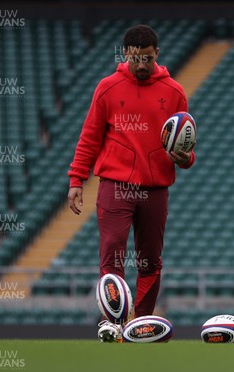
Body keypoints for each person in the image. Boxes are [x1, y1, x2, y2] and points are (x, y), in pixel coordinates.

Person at [67, 25, 195, 342]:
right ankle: (110, 323)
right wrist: (76, 179)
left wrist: (185, 158)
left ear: (157, 55)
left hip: (155, 189)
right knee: (112, 253)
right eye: (136, 58)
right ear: (126, 54)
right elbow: (90, 138)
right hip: (115, 185)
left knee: (150, 259)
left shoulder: (175, 92)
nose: (141, 65)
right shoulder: (108, 88)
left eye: (148, 59)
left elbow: (187, 147)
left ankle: (142, 323)